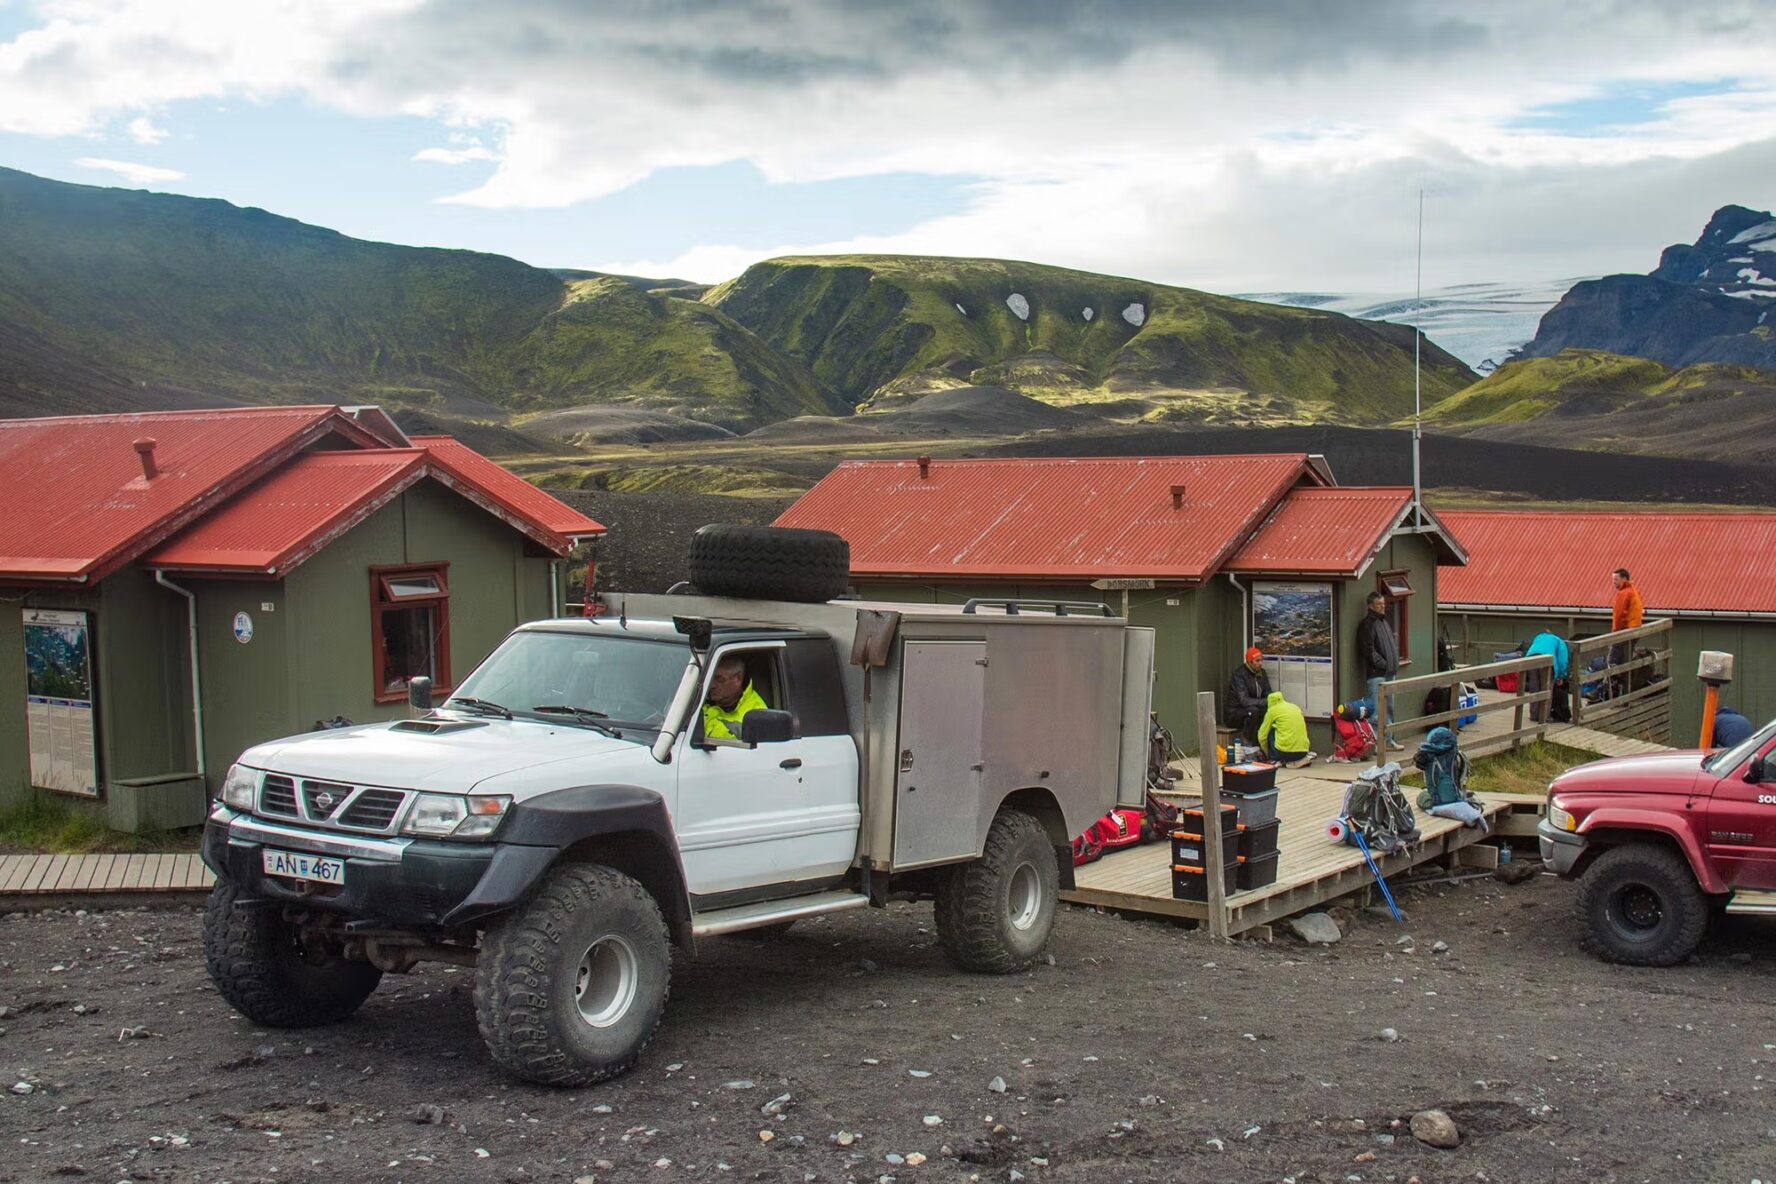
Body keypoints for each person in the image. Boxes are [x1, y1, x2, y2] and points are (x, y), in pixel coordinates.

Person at [1356, 591, 1404, 750]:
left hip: (1390, 672)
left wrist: (1393, 663)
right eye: (1379, 605)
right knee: (1377, 711)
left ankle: (1389, 740)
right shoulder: (1367, 625)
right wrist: (1383, 664)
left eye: (1384, 604)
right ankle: (1376, 744)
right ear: (1370, 606)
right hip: (1377, 675)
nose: (1383, 607)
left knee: (1389, 708)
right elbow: (1368, 650)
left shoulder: (1384, 622)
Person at [702, 655, 767, 741]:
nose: (712, 685)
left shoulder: (758, 715)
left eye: (720, 680)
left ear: (738, 679)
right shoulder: (698, 696)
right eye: (711, 679)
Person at [1257, 690, 1316, 768]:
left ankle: (1274, 759)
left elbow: (1262, 736)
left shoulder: (1272, 710)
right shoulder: (1295, 707)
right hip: (1303, 752)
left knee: (1271, 731)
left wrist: (1267, 753)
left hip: (1284, 754)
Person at [1225, 647, 1271, 745]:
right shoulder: (1239, 675)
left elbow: (1268, 693)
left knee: (1267, 711)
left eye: (1261, 660)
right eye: (1257, 660)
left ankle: (1265, 743)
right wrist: (1265, 701)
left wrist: (1272, 701)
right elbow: (1244, 700)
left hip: (1254, 707)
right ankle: (1249, 743)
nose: (1260, 663)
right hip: (1235, 713)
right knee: (1253, 711)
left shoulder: (1262, 673)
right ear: (1250, 662)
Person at [1522, 630, 1570, 724]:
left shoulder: (1538, 637)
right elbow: (1562, 660)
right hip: (1547, 660)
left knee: (1534, 688)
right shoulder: (1559, 641)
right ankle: (1545, 717)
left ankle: (1534, 715)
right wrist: (1561, 676)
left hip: (1531, 659)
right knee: (1547, 689)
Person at [1609, 568, 1644, 691]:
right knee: (1625, 662)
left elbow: (1619, 615)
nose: (1614, 582)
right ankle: (1623, 691)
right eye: (1613, 579)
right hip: (1634, 630)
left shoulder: (1623, 593)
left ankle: (1607, 691)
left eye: (1616, 579)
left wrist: (1615, 633)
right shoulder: (1634, 591)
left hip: (1625, 632)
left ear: (1624, 579)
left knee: (1612, 662)